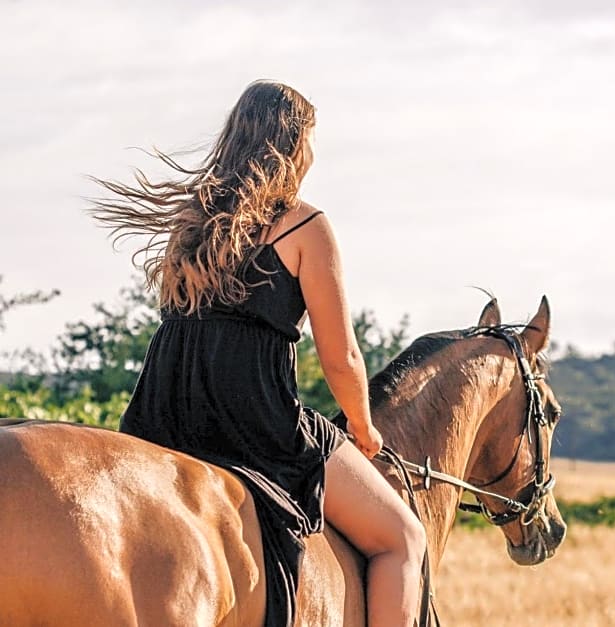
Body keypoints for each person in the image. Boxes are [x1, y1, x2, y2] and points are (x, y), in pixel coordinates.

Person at [91, 80, 426, 627]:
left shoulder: (191, 222)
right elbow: (340, 357)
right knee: (403, 539)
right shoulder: (304, 224)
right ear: (293, 144)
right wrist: (364, 430)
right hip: (254, 423)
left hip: (165, 414)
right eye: (310, 140)